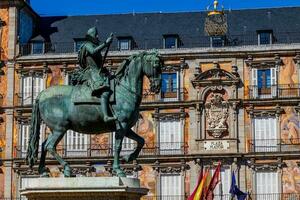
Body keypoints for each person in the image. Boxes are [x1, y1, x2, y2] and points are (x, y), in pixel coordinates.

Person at [78, 27, 117, 122]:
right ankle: (106, 116)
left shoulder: (93, 45)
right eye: (96, 35)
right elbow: (93, 51)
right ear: (91, 36)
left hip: (99, 72)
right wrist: (105, 43)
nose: (98, 36)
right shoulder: (87, 45)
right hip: (92, 73)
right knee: (105, 91)